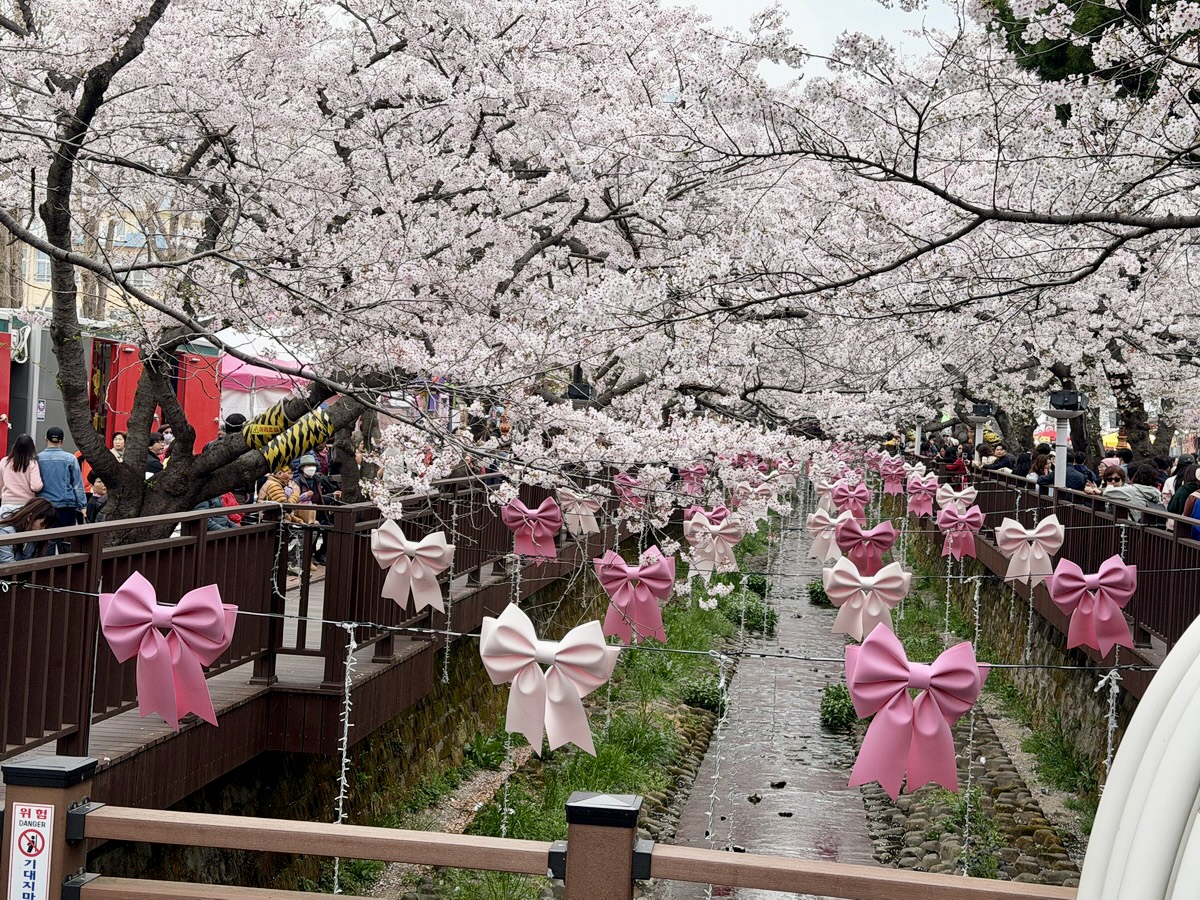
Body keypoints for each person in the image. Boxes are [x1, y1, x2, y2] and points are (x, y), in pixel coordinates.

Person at [293, 453, 340, 565]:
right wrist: (305, 496)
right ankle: (309, 556)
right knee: (314, 530)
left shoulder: (317, 479)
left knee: (329, 528)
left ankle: (321, 554)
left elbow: (318, 498)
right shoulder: (297, 482)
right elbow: (294, 499)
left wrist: (332, 496)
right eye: (308, 465)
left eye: (313, 465)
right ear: (302, 468)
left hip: (318, 511)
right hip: (305, 513)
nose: (311, 468)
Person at [37, 427, 86, 533]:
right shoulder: (70, 458)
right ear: (62, 441)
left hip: (44, 504)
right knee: (66, 538)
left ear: (46, 438)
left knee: (46, 538)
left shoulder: (38, 458)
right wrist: (82, 505)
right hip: (66, 504)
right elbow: (77, 484)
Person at [1099, 465, 1166, 524]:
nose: (1113, 481)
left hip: (1134, 527)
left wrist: (1109, 486)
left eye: (1117, 479)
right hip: (1152, 528)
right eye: (1109, 479)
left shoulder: (1133, 490)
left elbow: (1107, 492)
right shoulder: (1156, 492)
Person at [0, 497, 54, 563]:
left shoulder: (33, 533)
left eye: (46, 526)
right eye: (42, 525)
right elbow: (8, 563)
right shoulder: (5, 532)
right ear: (30, 517)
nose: (44, 529)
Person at [0, 433, 44, 512]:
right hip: (25, 506)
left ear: (15, 446)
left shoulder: (4, 461)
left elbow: (1, 484)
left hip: (6, 504)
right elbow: (36, 486)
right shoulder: (32, 463)